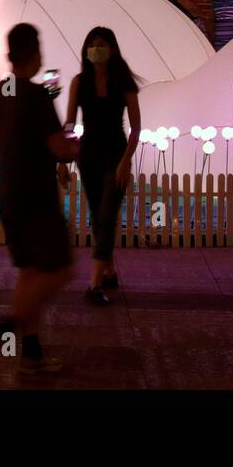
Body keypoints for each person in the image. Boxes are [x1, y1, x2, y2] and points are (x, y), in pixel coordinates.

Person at [0, 23, 79, 374]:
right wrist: (79, 147)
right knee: (61, 270)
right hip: (38, 196)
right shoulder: (36, 96)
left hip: (9, 191)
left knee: (30, 272)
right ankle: (12, 320)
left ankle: (32, 352)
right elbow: (59, 148)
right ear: (34, 52)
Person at [64, 27, 140, 305]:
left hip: (116, 154)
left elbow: (136, 128)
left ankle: (94, 283)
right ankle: (108, 269)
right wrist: (64, 159)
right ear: (86, 50)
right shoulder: (79, 82)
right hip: (89, 155)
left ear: (113, 49)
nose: (97, 49)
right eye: (92, 45)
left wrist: (126, 161)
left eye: (102, 45)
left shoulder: (124, 83)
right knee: (99, 215)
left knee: (107, 212)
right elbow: (70, 124)